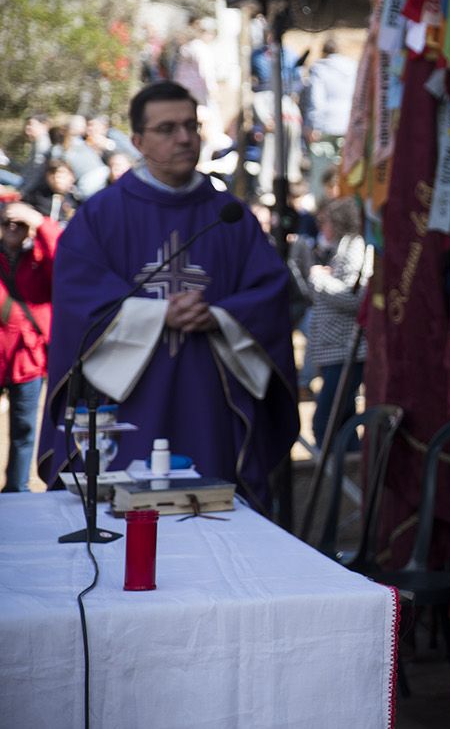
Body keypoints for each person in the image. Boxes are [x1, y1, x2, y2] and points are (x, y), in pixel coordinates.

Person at [35, 81, 298, 509]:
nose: (184, 138)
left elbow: (269, 293)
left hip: (211, 401)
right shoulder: (100, 215)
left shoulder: (229, 215)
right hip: (129, 402)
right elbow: (78, 300)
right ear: (137, 141)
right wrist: (157, 315)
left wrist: (219, 315)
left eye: (191, 126)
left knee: (215, 522)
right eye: (167, 128)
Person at [297, 197, 368, 446]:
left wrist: (318, 278)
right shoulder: (344, 247)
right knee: (342, 421)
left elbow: (354, 297)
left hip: (345, 349)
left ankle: (341, 479)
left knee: (325, 423)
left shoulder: (354, 246)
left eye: (323, 221)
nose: (320, 227)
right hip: (336, 348)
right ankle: (348, 476)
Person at [0, 198, 59, 491]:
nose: (12, 228)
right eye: (6, 222)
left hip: (28, 359)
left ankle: (16, 490)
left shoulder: (39, 258)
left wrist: (39, 222)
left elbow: (64, 261)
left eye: (19, 224)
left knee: (24, 431)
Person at [303, 37, 357, 198]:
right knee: (345, 172)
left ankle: (322, 211)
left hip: (325, 127)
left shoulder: (319, 69)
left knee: (322, 175)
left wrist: (314, 125)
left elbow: (316, 100)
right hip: (348, 126)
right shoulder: (352, 66)